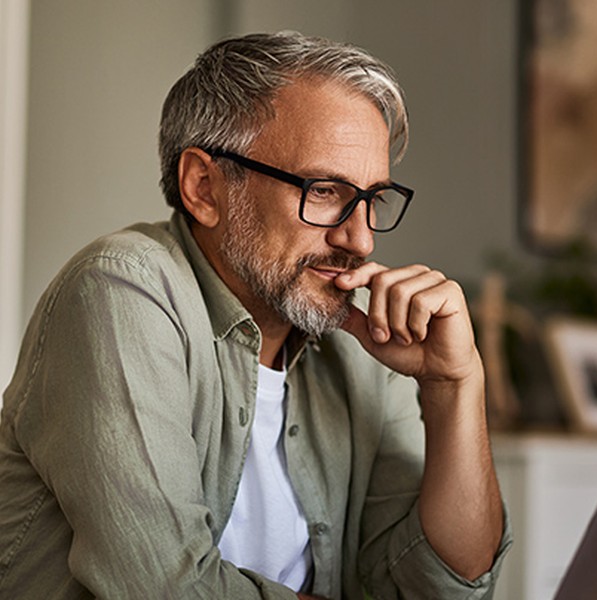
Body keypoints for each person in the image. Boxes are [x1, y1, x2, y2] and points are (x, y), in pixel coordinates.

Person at [0, 31, 511, 599]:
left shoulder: (361, 331)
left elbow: (442, 589)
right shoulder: (121, 289)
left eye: (374, 200)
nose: (361, 239)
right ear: (205, 187)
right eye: (324, 191)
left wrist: (454, 384)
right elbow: (165, 587)